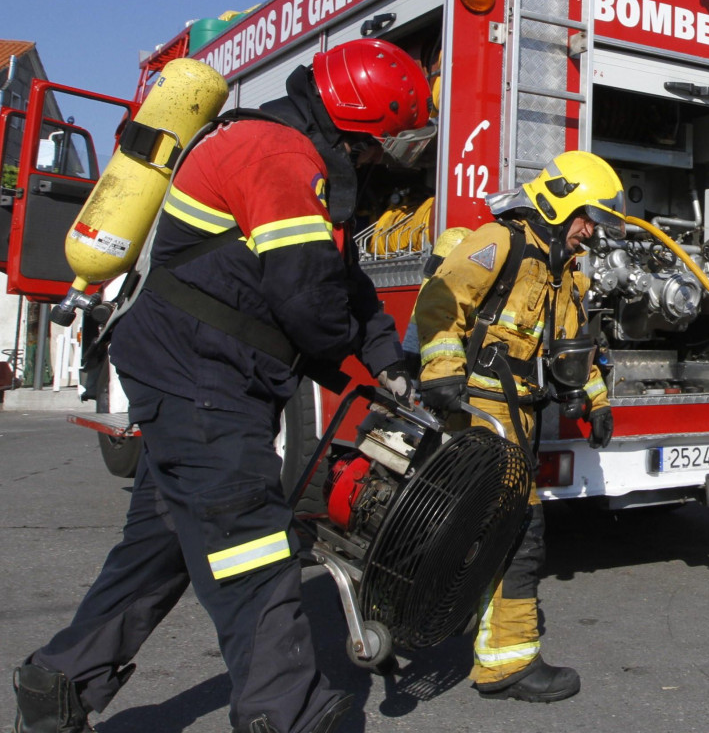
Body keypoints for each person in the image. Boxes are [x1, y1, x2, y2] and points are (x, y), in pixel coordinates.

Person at [11, 38, 432, 733]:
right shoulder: (276, 156)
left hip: (202, 373)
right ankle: (287, 715)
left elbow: (345, 283)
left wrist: (389, 361)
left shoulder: (305, 164)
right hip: (200, 377)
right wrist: (344, 360)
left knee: (163, 543)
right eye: (382, 143)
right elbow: (307, 300)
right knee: (250, 539)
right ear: (353, 125)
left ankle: (56, 685)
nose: (383, 159)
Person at [414, 150, 624, 703]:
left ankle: (459, 626)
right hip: (483, 411)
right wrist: (441, 369)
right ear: (561, 205)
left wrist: (596, 401)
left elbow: (577, 346)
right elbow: (441, 299)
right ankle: (508, 660)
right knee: (515, 533)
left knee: (486, 529)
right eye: (588, 219)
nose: (590, 234)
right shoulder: (501, 243)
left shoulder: (563, 270)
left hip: (521, 413)